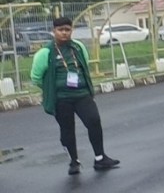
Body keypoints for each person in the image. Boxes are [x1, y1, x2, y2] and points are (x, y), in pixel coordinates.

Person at [30, 17, 120, 175]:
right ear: (54, 31)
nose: (64, 33)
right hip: (61, 99)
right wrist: (52, 89)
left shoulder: (78, 47)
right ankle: (74, 161)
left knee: (94, 121)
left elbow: (84, 65)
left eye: (67, 29)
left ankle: (100, 158)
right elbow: (36, 77)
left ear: (72, 30)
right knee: (67, 129)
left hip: (82, 94)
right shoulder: (45, 53)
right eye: (60, 30)